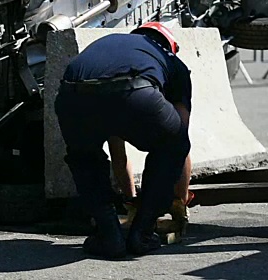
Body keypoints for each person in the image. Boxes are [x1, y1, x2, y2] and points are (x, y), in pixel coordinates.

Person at [54, 22, 192, 258]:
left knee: (85, 158)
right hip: (135, 93)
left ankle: (109, 235)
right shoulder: (172, 63)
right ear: (169, 44)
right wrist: (178, 200)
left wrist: (130, 199)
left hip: (72, 96)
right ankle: (143, 234)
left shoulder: (114, 47)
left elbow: (117, 149)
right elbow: (179, 141)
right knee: (173, 144)